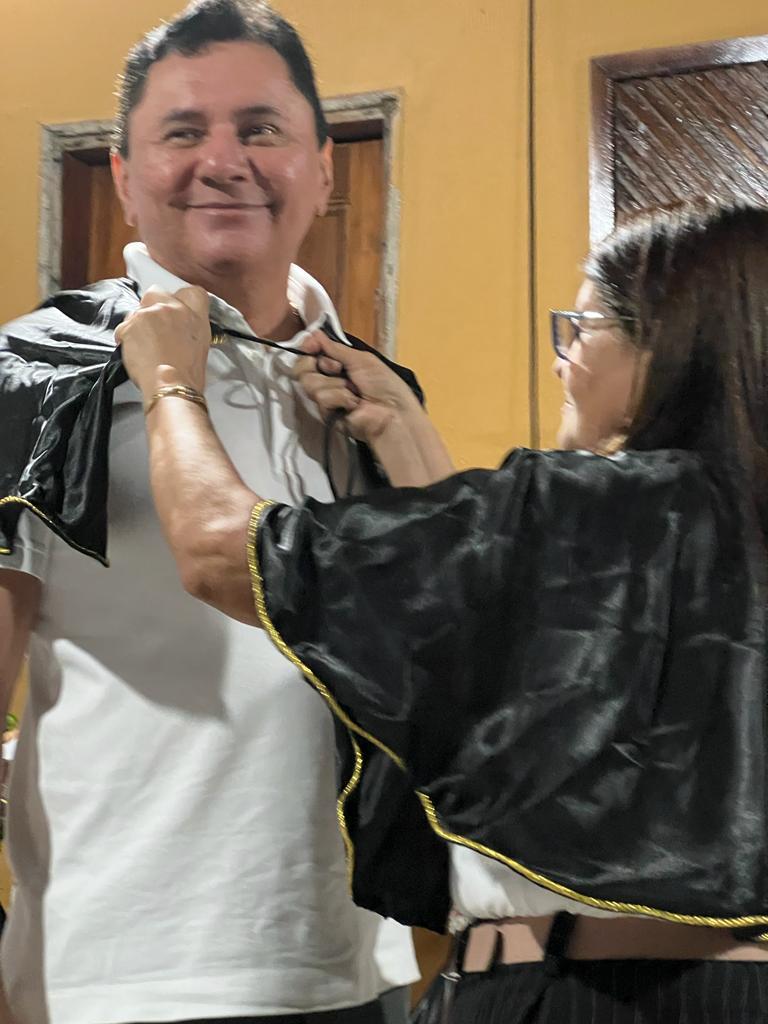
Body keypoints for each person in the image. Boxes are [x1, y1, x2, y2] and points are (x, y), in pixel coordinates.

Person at [118, 198, 768, 1023]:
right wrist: (406, 440)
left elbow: (222, 550)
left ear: (666, 344)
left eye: (583, 329)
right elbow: (514, 654)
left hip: (577, 997)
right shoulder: (712, 525)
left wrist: (169, 381)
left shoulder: (577, 507)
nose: (564, 360)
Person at [0, 1, 422, 1021]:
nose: (223, 161)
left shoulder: (376, 392)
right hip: (117, 978)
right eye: (182, 132)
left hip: (358, 966)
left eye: (260, 128)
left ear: (322, 168)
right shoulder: (32, 372)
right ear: (125, 175)